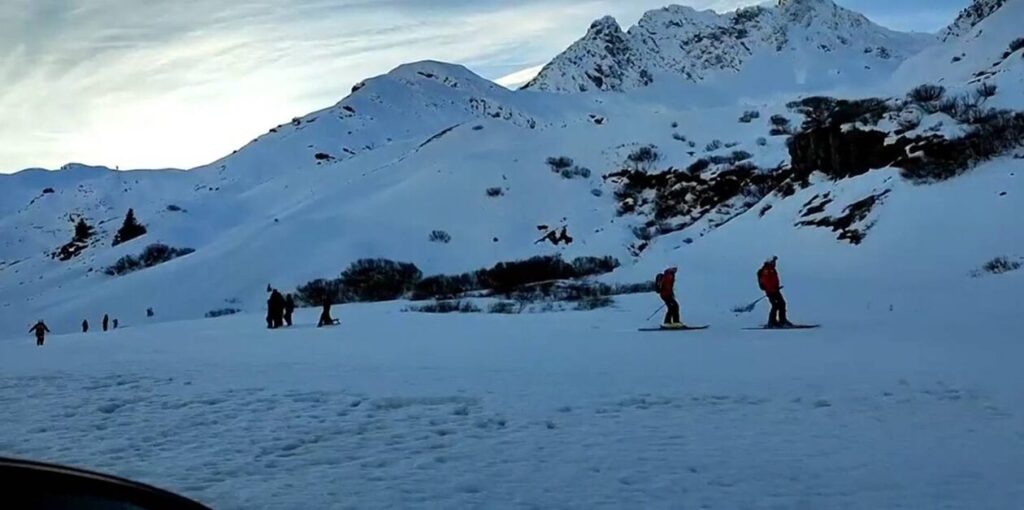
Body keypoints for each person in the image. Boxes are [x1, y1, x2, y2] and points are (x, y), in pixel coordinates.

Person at [758, 256, 792, 328]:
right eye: (773, 261)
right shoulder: (766, 270)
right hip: (771, 292)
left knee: (781, 304)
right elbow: (765, 282)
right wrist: (771, 289)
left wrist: (776, 287)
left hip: (775, 290)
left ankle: (782, 321)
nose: (775, 263)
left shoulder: (772, 269)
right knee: (776, 305)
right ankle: (772, 322)